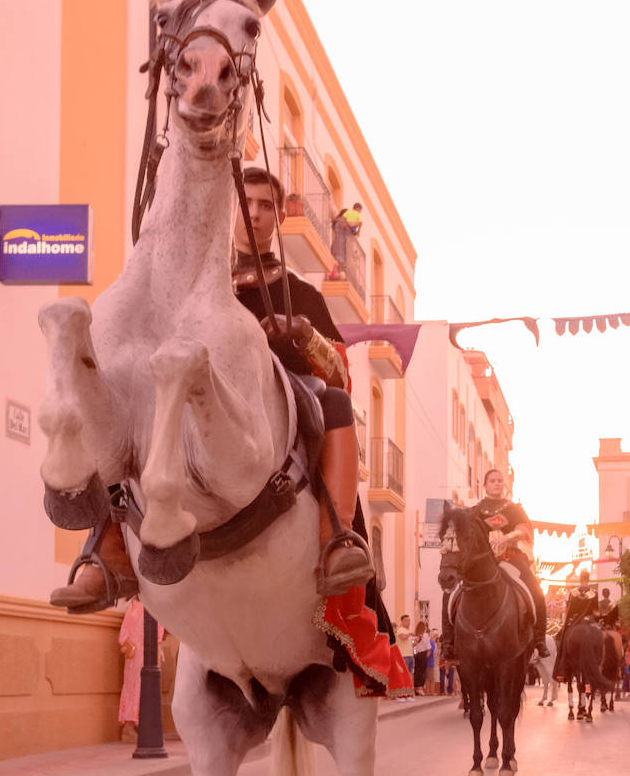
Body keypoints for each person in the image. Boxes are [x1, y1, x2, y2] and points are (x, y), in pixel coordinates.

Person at [53, 166, 374, 607]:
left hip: (281, 397)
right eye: (246, 203)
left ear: (279, 217)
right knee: (123, 407)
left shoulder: (302, 294)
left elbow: (339, 373)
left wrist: (302, 333)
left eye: (266, 206)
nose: (255, 214)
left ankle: (335, 537)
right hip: (184, 396)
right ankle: (107, 550)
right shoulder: (185, 292)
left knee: (335, 403)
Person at [473, 469, 549, 656]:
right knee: (455, 590)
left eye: (500, 480)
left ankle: (539, 638)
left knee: (537, 593)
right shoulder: (475, 510)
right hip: (484, 561)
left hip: (512, 557)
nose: (497, 483)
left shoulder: (513, 509)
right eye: (492, 480)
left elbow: (525, 529)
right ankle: (451, 643)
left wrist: (507, 538)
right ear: (485, 485)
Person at [118, 598, 164, 744]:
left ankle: (130, 726)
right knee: (141, 690)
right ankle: (132, 728)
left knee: (134, 689)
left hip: (137, 656)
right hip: (143, 656)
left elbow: (123, 637)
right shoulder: (152, 609)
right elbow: (158, 637)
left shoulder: (134, 609)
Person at [413, 620, 431, 695]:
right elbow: (428, 647)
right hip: (423, 654)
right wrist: (427, 657)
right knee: (422, 671)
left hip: (416, 654)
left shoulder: (415, 635)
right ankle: (420, 688)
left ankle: (416, 687)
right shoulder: (425, 635)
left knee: (416, 671)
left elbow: (414, 647)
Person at [396, 614, 414, 679]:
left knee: (411, 673)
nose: (408, 622)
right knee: (404, 674)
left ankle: (410, 688)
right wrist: (410, 634)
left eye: (409, 620)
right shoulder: (400, 629)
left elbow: (412, 644)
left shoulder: (408, 631)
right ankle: (404, 688)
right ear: (402, 621)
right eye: (406, 620)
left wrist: (417, 641)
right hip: (403, 656)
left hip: (410, 655)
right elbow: (403, 637)